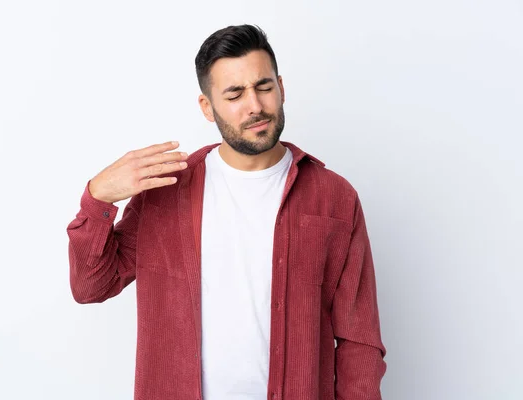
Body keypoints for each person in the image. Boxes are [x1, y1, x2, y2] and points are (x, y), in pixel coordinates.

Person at [67, 24, 387, 400]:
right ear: (208, 107)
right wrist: (98, 197)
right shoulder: (165, 193)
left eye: (264, 87)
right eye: (234, 94)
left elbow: (359, 340)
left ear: (281, 89)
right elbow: (92, 286)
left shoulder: (334, 198)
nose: (255, 106)